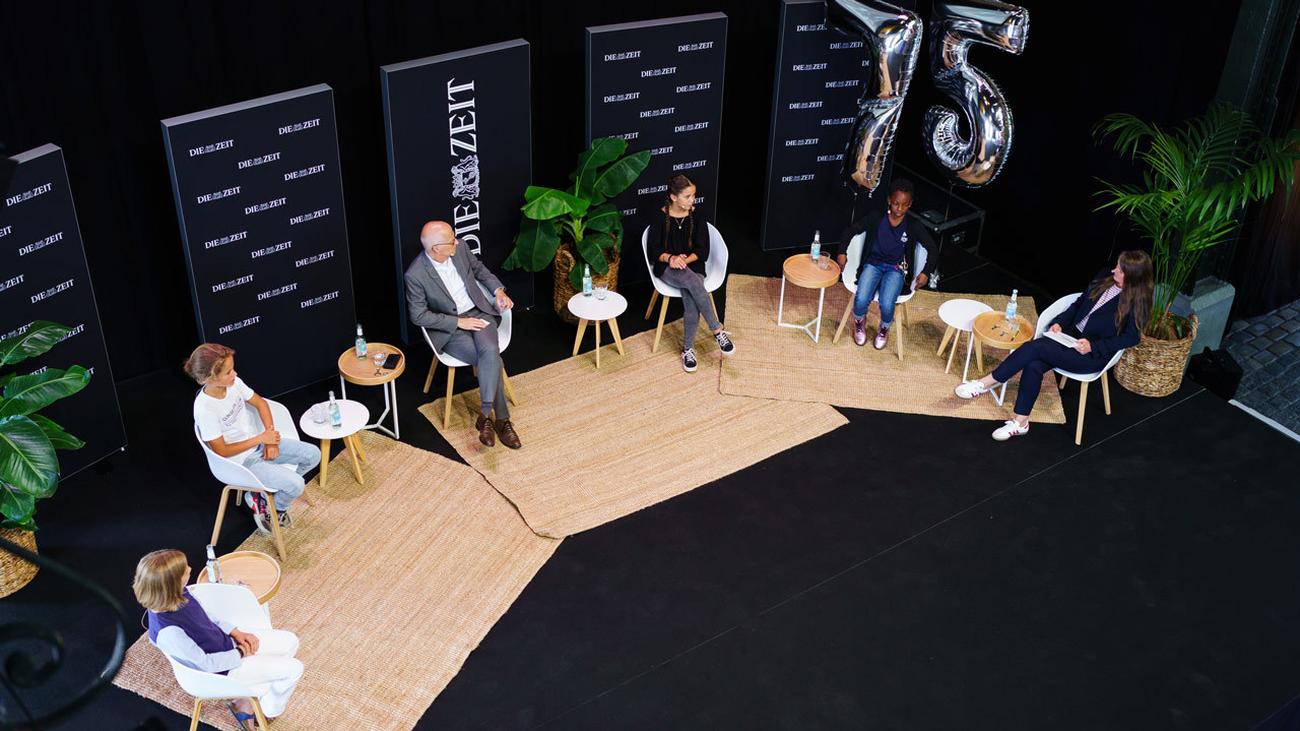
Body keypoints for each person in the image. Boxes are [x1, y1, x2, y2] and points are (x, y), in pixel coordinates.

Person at [954, 250, 1154, 441]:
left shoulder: (1138, 302)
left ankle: (986, 382)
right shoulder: (1105, 276)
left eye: (1120, 270)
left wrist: (1094, 346)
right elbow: (1078, 304)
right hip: (1069, 337)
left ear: (1133, 277)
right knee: (1033, 364)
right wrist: (1059, 323)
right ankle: (1021, 422)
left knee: (1036, 348)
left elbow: (1131, 338)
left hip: (1090, 354)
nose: (1113, 270)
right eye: (1117, 265)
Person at [134, 549, 303, 729]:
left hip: (226, 644)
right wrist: (240, 653)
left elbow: (205, 615)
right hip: (222, 671)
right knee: (294, 669)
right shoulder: (168, 633)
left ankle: (246, 695)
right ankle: (265, 710)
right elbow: (206, 664)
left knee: (291, 642)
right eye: (184, 571)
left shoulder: (177, 594)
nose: (190, 569)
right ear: (171, 584)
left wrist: (235, 632)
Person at [406, 220, 521, 449]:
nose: (457, 242)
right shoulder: (416, 274)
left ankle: (485, 415)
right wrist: (459, 322)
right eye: (451, 241)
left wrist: (498, 291)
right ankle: (502, 421)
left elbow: (480, 270)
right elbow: (418, 316)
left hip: (479, 313)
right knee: (492, 359)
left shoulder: (461, 249)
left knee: (490, 351)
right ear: (436, 248)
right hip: (452, 329)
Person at [186, 344, 320, 533]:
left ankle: (264, 496)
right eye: (228, 372)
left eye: (233, 368)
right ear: (210, 379)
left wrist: (270, 440)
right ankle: (275, 509)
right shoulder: (205, 409)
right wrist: (261, 439)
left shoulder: (234, 383)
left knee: (313, 455)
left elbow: (260, 403)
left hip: (259, 444)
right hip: (240, 463)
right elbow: (221, 451)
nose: (235, 374)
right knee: (296, 485)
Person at [833, 178, 938, 349]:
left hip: (896, 270)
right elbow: (851, 230)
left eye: (904, 205)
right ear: (889, 200)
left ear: (910, 204)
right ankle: (859, 322)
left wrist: (926, 272)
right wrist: (841, 252)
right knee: (861, 299)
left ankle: (884, 329)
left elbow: (933, 249)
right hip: (873, 264)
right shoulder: (876, 217)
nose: (899, 209)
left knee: (887, 303)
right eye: (896, 203)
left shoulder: (913, 225)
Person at [645, 173, 735, 373]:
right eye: (687, 196)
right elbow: (653, 251)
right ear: (673, 197)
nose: (692, 200)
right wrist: (671, 259)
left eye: (693, 195)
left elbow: (703, 250)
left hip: (693, 265)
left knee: (691, 295)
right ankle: (717, 330)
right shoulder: (659, 217)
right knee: (694, 284)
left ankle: (688, 349)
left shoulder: (698, 216)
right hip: (667, 267)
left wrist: (684, 260)